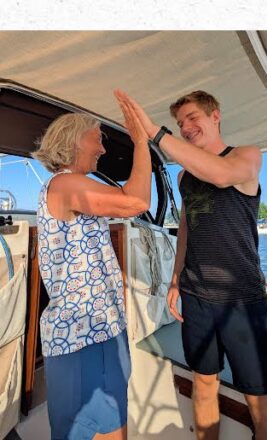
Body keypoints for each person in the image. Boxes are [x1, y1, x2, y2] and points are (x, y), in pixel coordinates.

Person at [116, 90, 267, 439]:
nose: (185, 127)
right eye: (180, 123)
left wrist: (155, 132)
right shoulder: (183, 179)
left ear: (215, 116)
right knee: (204, 385)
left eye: (192, 117)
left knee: (261, 403)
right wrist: (176, 277)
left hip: (242, 299)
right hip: (196, 296)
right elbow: (186, 230)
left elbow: (223, 175)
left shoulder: (246, 157)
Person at [31, 96, 151, 440]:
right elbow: (136, 201)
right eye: (97, 137)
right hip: (87, 336)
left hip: (89, 335)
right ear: (74, 140)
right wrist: (141, 141)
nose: (102, 149)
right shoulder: (65, 184)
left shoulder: (64, 186)